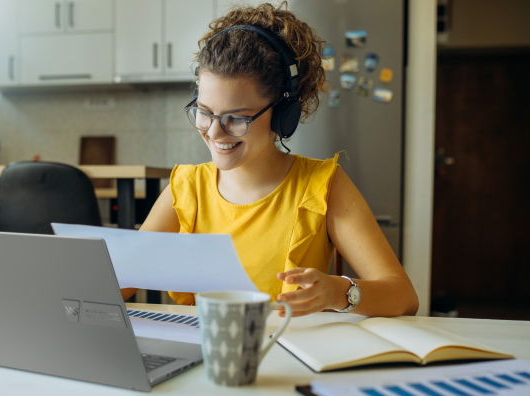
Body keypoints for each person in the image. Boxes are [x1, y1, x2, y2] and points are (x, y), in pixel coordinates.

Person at [124, 2, 418, 318]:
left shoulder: (322, 185)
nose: (215, 132)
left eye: (236, 118)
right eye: (204, 112)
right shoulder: (185, 187)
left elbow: (403, 297)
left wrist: (337, 292)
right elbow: (119, 283)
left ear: (282, 115)